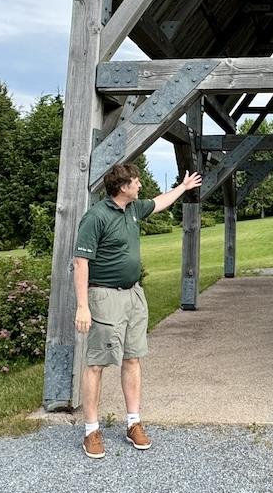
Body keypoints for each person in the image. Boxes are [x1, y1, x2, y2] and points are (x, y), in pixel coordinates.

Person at [73, 162, 202, 459]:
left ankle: (133, 423)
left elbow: (158, 202)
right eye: (136, 181)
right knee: (97, 363)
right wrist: (83, 306)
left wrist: (182, 188)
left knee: (132, 359)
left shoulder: (133, 209)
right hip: (104, 298)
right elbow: (81, 264)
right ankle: (91, 430)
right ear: (123, 187)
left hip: (133, 296)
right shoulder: (96, 217)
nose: (140, 185)